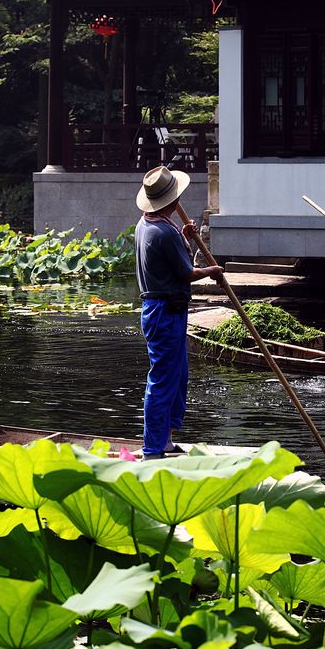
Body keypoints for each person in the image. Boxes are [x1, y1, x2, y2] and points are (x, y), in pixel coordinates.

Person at [134, 166, 223, 460]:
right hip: (164, 311)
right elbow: (186, 273)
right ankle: (152, 449)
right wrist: (213, 271)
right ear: (171, 200)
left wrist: (185, 236)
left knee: (178, 376)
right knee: (162, 379)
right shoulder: (162, 231)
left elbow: (174, 258)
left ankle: (166, 440)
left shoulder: (151, 224)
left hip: (165, 310)